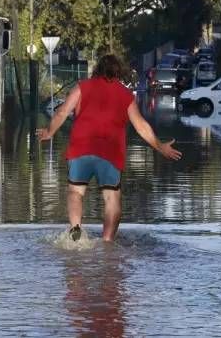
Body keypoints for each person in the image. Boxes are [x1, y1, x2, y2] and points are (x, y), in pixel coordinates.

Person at [36, 54, 182, 242]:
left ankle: (76, 228)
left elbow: (62, 112)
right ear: (118, 72)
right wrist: (160, 146)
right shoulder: (126, 95)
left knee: (75, 192)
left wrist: (49, 132)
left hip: (82, 147)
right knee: (112, 197)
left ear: (97, 69)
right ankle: (107, 241)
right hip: (111, 152)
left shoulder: (82, 87)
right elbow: (141, 126)